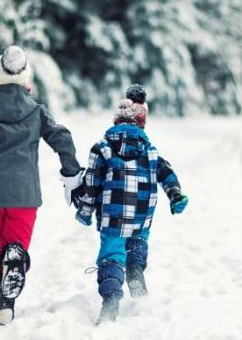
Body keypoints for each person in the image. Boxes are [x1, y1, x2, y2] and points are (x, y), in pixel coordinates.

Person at [0, 45, 83, 326]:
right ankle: (14, 266)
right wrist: (71, 173)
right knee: (15, 247)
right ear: (25, 79)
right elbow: (63, 139)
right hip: (24, 194)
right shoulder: (37, 112)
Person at [74, 84, 189, 324]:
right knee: (137, 245)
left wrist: (85, 212)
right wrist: (175, 194)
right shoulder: (150, 150)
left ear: (116, 121)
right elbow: (166, 173)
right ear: (142, 124)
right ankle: (136, 275)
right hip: (141, 217)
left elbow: (92, 182)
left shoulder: (102, 148)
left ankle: (111, 298)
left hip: (113, 218)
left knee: (112, 256)